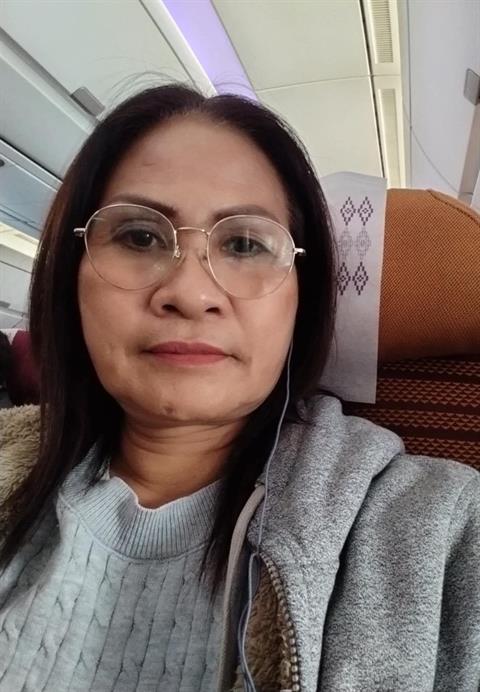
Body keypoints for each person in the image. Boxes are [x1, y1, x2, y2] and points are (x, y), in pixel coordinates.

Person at [0, 84, 478, 692]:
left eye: (245, 244)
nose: (191, 293)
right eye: (139, 237)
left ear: (302, 298)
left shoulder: (441, 529)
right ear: (70, 280)